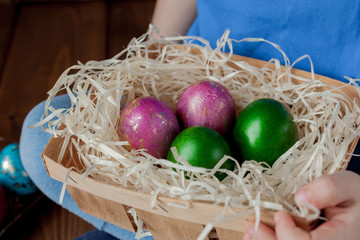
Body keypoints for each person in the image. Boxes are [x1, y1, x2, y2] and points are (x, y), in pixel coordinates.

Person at [20, 0, 360, 239]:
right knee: (43, 131)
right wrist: (152, 54)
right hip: (207, 61)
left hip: (337, 125)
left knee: (298, 216)